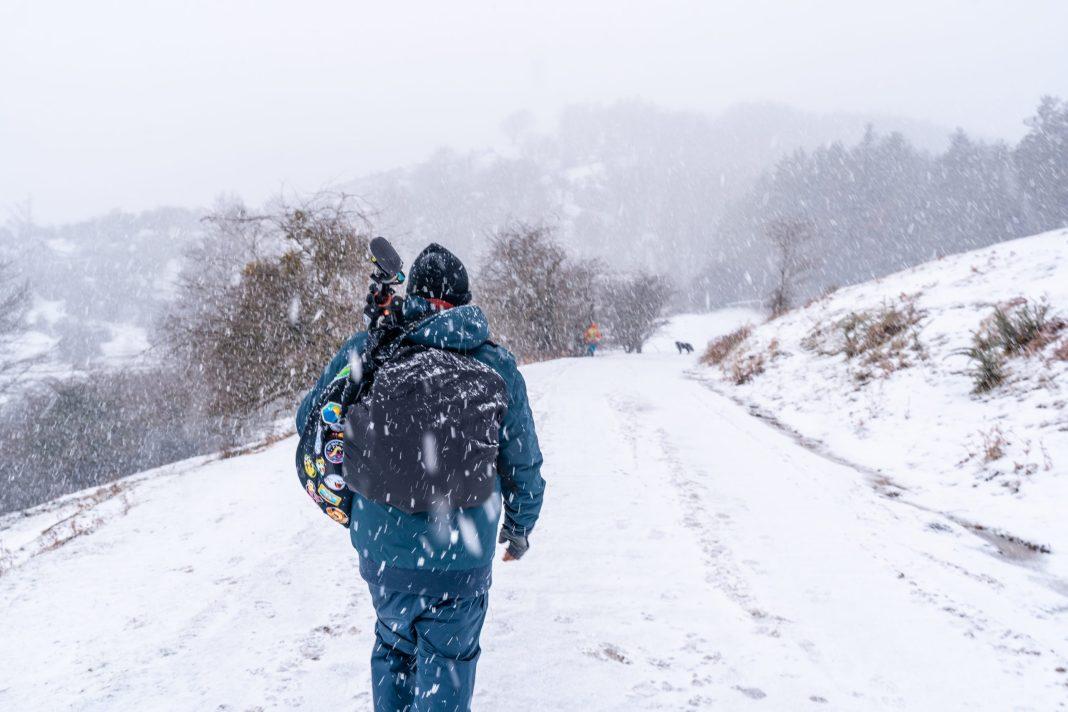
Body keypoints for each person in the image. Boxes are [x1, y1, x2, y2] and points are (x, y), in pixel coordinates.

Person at [296, 242, 545, 712]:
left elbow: (310, 418)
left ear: (412, 296)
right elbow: (523, 464)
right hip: (461, 559)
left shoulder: (374, 347)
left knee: (394, 649)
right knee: (448, 664)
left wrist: (368, 344)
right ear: (463, 302)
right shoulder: (496, 364)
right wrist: (520, 529)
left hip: (384, 552)